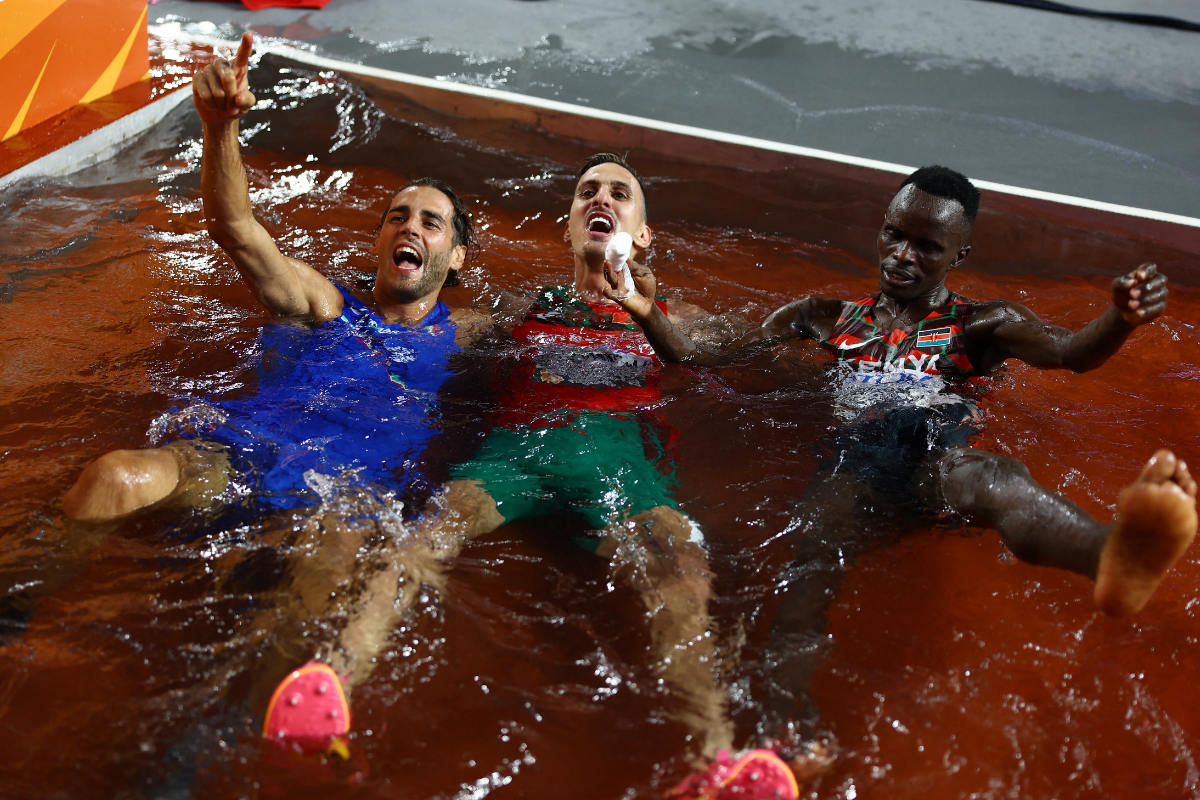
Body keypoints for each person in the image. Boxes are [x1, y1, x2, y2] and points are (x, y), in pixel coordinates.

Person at [603, 164, 1197, 754]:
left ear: (959, 255)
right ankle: (785, 731)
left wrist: (1119, 320)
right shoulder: (822, 317)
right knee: (807, 575)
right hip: (852, 473)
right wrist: (639, 304)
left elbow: (1070, 354)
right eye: (894, 234)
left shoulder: (982, 325)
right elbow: (701, 355)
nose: (902, 256)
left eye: (928, 247)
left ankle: (1109, 557)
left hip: (935, 464)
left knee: (990, 476)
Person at [56, 32, 491, 759]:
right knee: (113, 475)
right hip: (242, 455)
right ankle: (16, 605)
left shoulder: (472, 331)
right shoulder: (325, 302)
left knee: (314, 585)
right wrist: (220, 125)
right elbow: (236, 228)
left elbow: (567, 331)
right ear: (380, 241)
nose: (408, 226)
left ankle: (208, 740)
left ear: (455, 256)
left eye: (429, 221)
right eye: (396, 216)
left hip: (342, 496)